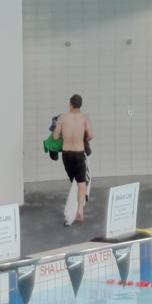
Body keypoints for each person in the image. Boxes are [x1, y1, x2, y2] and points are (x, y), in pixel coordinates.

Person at [54, 94, 93, 224]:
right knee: (81, 184)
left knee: (75, 182)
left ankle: (73, 208)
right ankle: (80, 210)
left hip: (66, 154)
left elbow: (55, 137)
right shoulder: (84, 118)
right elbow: (91, 136)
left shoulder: (62, 117)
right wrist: (83, 139)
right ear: (80, 105)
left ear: (70, 104)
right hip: (79, 152)